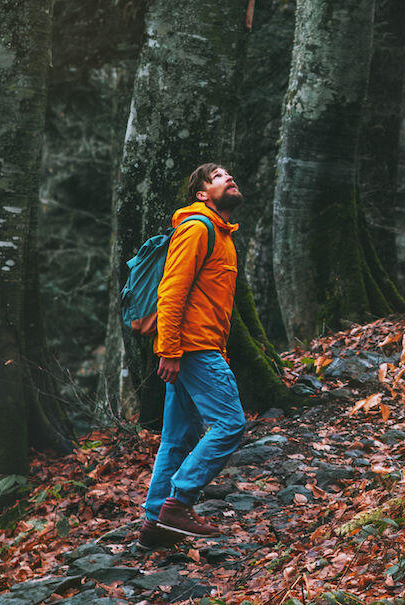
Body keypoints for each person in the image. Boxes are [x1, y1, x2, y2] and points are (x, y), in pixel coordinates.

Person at [139, 163, 246, 549]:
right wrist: (168, 350)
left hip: (199, 348)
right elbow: (172, 292)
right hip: (190, 347)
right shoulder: (197, 228)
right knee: (230, 424)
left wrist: (218, 349)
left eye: (229, 175)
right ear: (202, 194)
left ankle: (155, 522)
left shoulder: (220, 233)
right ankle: (178, 503)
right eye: (217, 177)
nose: (228, 178)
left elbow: (209, 302)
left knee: (177, 438)